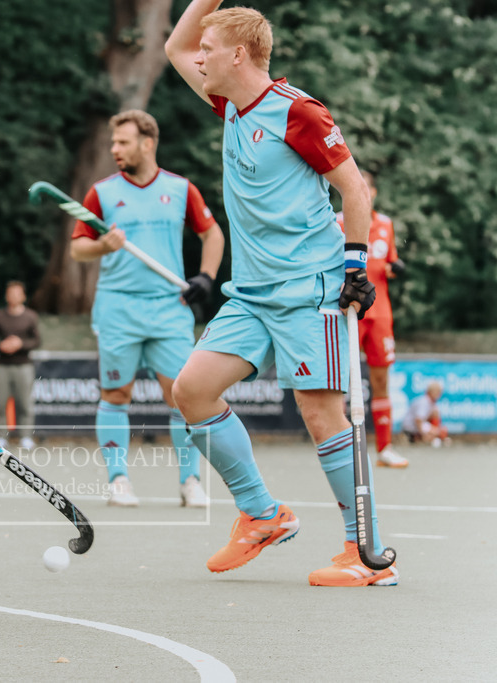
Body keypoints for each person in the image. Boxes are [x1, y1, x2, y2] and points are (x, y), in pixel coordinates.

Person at [166, 2, 397, 587]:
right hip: (251, 293)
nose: (200, 56)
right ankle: (262, 515)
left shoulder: (300, 114)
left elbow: (355, 190)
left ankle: (364, 552)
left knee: (321, 414)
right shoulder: (229, 106)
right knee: (191, 390)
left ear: (238, 54)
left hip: (308, 290)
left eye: (210, 46)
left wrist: (355, 265)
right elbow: (173, 47)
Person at [69, 109, 224, 508]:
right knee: (116, 394)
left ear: (147, 143)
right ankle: (118, 480)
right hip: (118, 309)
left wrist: (205, 277)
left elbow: (212, 234)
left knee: (184, 397)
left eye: (123, 142)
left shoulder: (180, 189)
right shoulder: (101, 193)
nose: (115, 149)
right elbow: (77, 248)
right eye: (113, 142)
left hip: (170, 310)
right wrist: (103, 245)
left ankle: (190, 481)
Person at [339, 170, 408, 467]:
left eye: (367, 185)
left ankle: (384, 449)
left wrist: (395, 267)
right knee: (340, 381)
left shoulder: (386, 224)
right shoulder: (337, 222)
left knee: (380, 379)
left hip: (380, 313)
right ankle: (343, 449)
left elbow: (387, 261)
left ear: (374, 192)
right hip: (349, 311)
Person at [0, 280, 41, 449]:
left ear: (23, 296)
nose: (14, 296)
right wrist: (1, 345)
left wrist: (20, 344)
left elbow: (37, 341)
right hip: (3, 365)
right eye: (11, 293)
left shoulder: (30, 316)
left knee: (25, 403)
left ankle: (26, 436)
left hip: (24, 365)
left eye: (17, 293)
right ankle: (2, 436)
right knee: (1, 402)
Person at [402, 381, 449, 447]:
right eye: (437, 391)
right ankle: (417, 438)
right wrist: (424, 434)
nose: (439, 394)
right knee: (440, 432)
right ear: (430, 391)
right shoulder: (424, 402)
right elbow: (418, 421)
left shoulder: (431, 403)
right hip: (410, 428)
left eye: (440, 392)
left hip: (417, 426)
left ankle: (431, 438)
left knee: (436, 415)